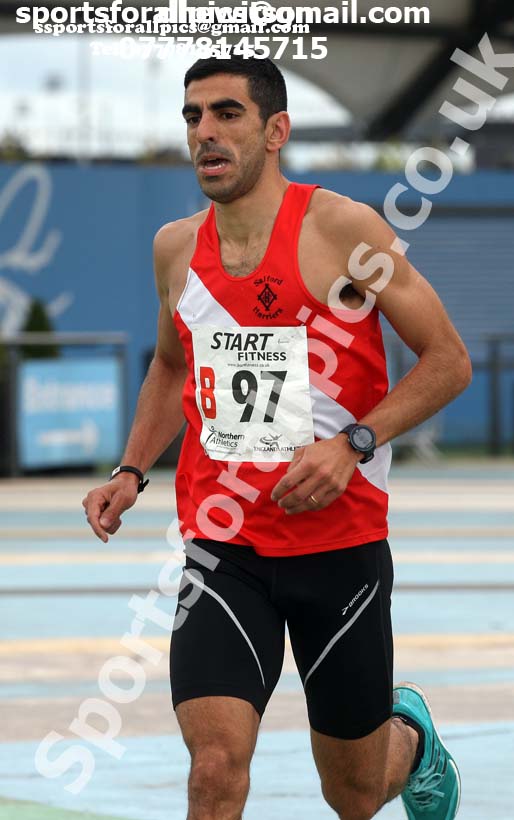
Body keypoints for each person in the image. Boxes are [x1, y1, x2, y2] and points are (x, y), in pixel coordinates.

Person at [83, 57, 471, 820]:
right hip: (222, 547)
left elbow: (448, 361)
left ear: (276, 130)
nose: (205, 133)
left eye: (226, 113)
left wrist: (352, 442)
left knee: (353, 795)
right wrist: (130, 469)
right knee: (214, 770)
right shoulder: (175, 249)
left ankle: (413, 744)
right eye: (192, 116)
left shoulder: (343, 231)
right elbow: (170, 366)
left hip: (339, 547)